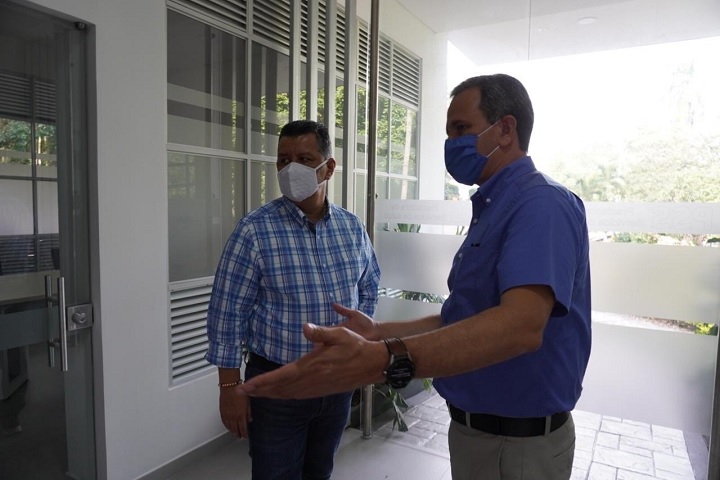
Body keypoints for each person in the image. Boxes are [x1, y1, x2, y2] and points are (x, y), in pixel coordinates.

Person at [239, 74, 592, 480]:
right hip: (479, 431)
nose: (451, 144)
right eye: (449, 132)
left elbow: (521, 327)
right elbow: (464, 317)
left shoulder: (540, 204)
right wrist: (378, 332)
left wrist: (384, 358)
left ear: (506, 130)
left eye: (462, 129)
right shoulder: (494, 207)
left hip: (518, 444)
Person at [205, 119, 381, 480]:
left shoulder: (351, 227)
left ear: (328, 168)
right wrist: (229, 388)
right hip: (278, 385)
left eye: (304, 159)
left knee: (320, 469)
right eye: (284, 160)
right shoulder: (254, 230)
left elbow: (369, 286)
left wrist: (354, 340)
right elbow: (227, 312)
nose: (291, 169)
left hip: (335, 382)